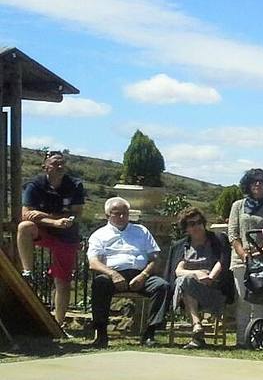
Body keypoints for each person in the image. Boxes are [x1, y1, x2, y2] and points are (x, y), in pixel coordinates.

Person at [86, 198, 169, 348]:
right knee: (99, 283)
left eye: (125, 213)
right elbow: (94, 262)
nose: (122, 217)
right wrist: (113, 274)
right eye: (117, 214)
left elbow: (155, 258)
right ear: (107, 215)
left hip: (140, 274)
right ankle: (101, 333)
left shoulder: (141, 231)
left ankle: (150, 333)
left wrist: (143, 275)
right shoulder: (99, 235)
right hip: (113, 274)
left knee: (162, 286)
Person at [17, 149, 85, 326]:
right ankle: (28, 272)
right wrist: (55, 221)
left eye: (62, 163)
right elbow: (26, 214)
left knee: (62, 282)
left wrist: (41, 215)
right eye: (55, 163)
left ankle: (58, 324)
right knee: (25, 227)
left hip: (67, 237)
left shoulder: (75, 185)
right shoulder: (34, 185)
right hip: (44, 232)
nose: (60, 166)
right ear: (45, 167)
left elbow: (76, 214)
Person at [227, 168, 263, 347]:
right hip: (240, 259)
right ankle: (241, 340)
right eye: (254, 181)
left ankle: (257, 339)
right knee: (243, 299)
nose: (258, 184)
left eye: (262, 182)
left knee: (259, 301)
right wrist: (243, 254)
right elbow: (232, 233)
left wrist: (261, 251)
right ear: (248, 184)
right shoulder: (238, 205)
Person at [171, 207, 229, 349]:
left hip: (213, 290)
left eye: (198, 222)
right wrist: (196, 274)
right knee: (184, 280)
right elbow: (178, 270)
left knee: (184, 282)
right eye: (191, 224)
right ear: (186, 228)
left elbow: (222, 262)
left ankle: (196, 329)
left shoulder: (217, 239)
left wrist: (210, 277)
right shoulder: (183, 246)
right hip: (188, 291)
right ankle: (197, 326)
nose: (196, 226)